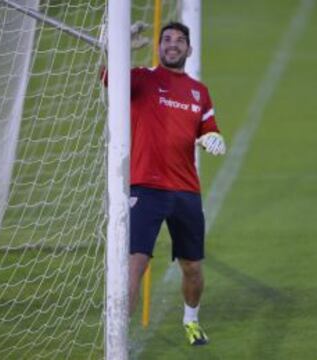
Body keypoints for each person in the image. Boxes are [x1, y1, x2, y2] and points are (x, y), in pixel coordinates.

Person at [128, 21, 226, 346]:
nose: (173, 44)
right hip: (146, 188)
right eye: (167, 39)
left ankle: (191, 320)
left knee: (193, 268)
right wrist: (117, 47)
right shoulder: (141, 78)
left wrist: (213, 138)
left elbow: (209, 128)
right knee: (135, 264)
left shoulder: (199, 91)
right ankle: (118, 341)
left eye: (179, 40)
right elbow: (107, 77)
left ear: (189, 49)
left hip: (185, 191)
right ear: (158, 47)